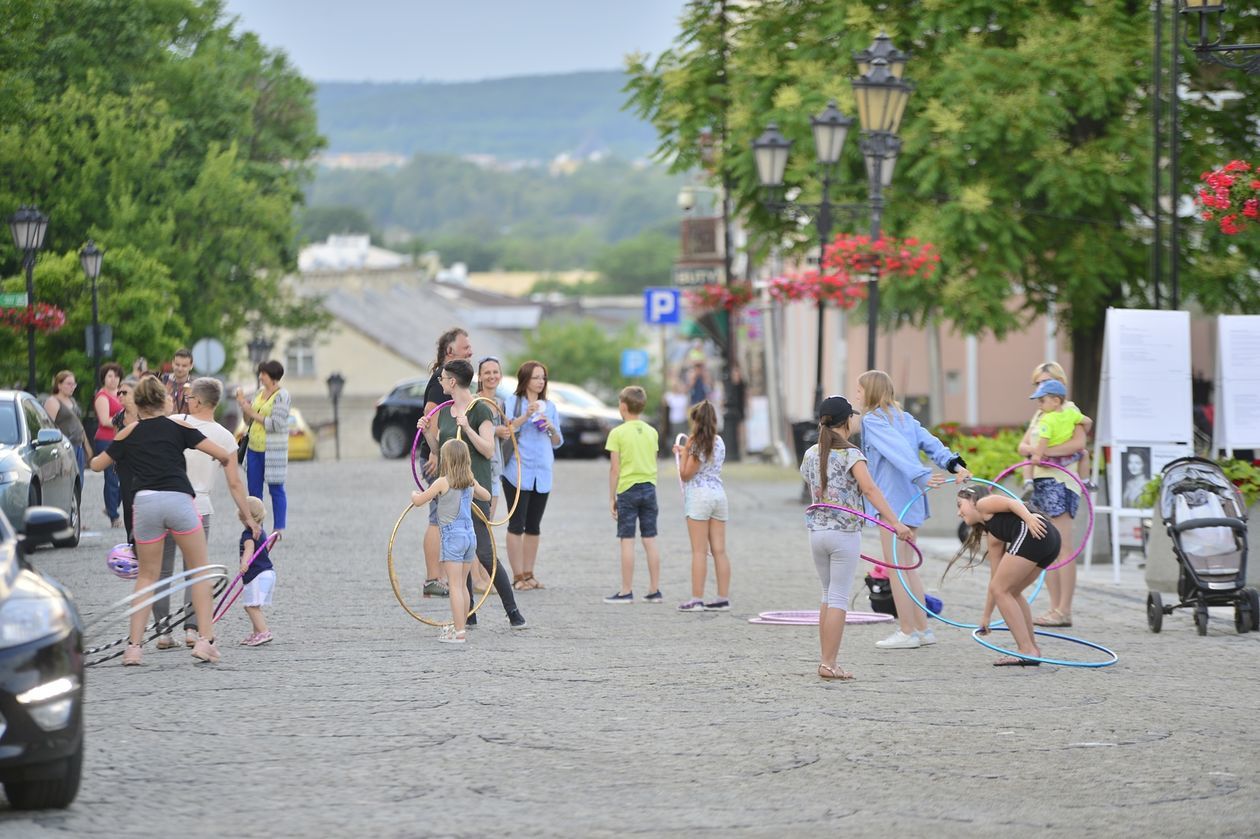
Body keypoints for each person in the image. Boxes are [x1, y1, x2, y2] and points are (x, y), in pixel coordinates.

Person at [89, 376, 257, 666]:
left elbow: (95, 465)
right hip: (179, 500)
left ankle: (133, 648)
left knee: (147, 575)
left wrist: (123, 447)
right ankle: (205, 641)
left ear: (138, 404)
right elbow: (222, 455)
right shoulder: (179, 426)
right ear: (163, 401)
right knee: (200, 571)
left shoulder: (129, 431)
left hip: (144, 504)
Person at [800, 395, 914, 680]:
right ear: (846, 421)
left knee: (827, 594)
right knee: (838, 596)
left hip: (817, 533)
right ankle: (829, 663)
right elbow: (872, 490)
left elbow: (809, 479)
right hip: (844, 533)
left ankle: (825, 660)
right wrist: (896, 523)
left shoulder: (812, 453)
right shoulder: (851, 454)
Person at [857, 369, 972, 650]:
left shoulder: (872, 421)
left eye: (860, 390)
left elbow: (897, 450)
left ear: (871, 391)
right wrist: (955, 465)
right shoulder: (906, 419)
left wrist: (920, 473)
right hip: (912, 500)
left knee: (896, 568)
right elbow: (933, 445)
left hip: (894, 504)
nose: (856, 395)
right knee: (907, 568)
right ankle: (923, 630)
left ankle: (907, 631)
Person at [418, 359, 527, 629]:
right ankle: (467, 614)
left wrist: (466, 427)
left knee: (485, 553)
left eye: (443, 378)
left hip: (475, 490)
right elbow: (440, 447)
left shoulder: (480, 410)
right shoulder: (444, 411)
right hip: (449, 494)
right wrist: (427, 433)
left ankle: (512, 611)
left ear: (452, 382)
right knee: (459, 553)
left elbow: (489, 450)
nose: (440, 382)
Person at [152, 377, 241, 650]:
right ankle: (192, 629)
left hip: (166, 499)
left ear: (200, 401)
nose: (186, 401)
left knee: (161, 569)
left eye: (190, 397)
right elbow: (235, 483)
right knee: (194, 570)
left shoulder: (176, 422)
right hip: (199, 507)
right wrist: (248, 516)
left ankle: (163, 631)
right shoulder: (225, 436)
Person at [951, 484, 1060, 666]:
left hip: (1034, 530)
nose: (958, 513)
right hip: (1050, 539)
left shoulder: (984, 504)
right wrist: (986, 616)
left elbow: (1012, 504)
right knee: (1010, 591)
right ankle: (1032, 649)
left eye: (959, 505)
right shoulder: (993, 534)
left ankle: (1026, 650)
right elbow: (996, 579)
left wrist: (1029, 519)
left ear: (972, 500)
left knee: (1002, 590)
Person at [1016, 362, 1087, 628]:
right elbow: (1022, 445)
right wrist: (1036, 453)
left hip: (1061, 482)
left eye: (1044, 382)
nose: (1039, 389)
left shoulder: (1068, 410)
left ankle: (1064, 609)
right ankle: (1054, 608)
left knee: (1063, 546)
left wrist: (1044, 453)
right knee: (1048, 547)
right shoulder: (1040, 413)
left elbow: (1079, 444)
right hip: (1040, 482)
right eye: (1036, 383)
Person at [409, 439, 491, 644]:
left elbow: (419, 501)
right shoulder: (470, 480)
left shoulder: (442, 482)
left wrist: (413, 494)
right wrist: (476, 487)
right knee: (462, 585)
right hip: (469, 537)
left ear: (446, 460)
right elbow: (487, 496)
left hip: (452, 538)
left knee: (454, 586)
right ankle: (459, 627)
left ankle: (460, 632)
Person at [420, 328, 474, 598]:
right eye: (466, 347)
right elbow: (431, 415)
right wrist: (434, 453)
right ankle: (433, 577)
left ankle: (445, 576)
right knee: (436, 517)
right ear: (450, 351)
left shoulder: (454, 380)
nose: (471, 351)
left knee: (447, 517)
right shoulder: (442, 379)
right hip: (439, 457)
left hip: (448, 455)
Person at [501, 360, 563, 591]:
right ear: (525, 379)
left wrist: (550, 427)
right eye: (536, 377)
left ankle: (529, 573)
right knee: (516, 524)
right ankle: (517, 576)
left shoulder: (550, 407)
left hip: (542, 472)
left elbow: (557, 442)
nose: (540, 381)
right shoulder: (513, 402)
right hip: (517, 471)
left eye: (543, 378)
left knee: (534, 525)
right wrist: (525, 416)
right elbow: (507, 429)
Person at [603, 386, 662, 604]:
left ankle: (626, 591)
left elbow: (615, 469)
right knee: (650, 539)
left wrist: (612, 497)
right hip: (649, 488)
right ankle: (655, 590)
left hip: (627, 490)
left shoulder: (617, 433)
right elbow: (652, 461)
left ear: (623, 406)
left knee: (627, 540)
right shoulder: (651, 431)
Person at [673, 401, 731, 612]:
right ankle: (723, 597)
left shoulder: (695, 442)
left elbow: (686, 473)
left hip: (699, 496)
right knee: (720, 551)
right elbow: (705, 460)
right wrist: (686, 450)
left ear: (695, 421)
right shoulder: (719, 441)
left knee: (699, 551)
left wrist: (685, 451)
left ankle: (696, 598)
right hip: (718, 495)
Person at [236, 359, 290, 536]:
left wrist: (253, 413)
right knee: (254, 490)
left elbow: (277, 424)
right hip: (254, 447)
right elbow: (248, 420)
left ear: (273, 377)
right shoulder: (259, 393)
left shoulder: (282, 396)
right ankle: (256, 525)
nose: (260, 377)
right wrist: (245, 407)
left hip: (272, 450)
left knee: (276, 487)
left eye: (263, 374)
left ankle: (279, 527)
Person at [473, 356, 506, 594]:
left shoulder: (501, 403)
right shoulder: (475, 402)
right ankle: (476, 579)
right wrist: (496, 430)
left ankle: (486, 576)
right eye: (487, 372)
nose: (492, 376)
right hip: (480, 470)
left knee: (488, 525)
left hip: (496, 469)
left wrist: (504, 432)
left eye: (495, 372)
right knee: (477, 525)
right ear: (479, 376)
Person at [238, 496, 277, 647]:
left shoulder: (247, 535)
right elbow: (264, 549)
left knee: (250, 606)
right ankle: (257, 633)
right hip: (268, 573)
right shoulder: (262, 532)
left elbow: (249, 549)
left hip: (256, 575)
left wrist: (244, 563)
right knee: (255, 605)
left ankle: (263, 632)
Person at [93, 362, 126, 528]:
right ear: (104, 378)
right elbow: (105, 420)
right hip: (106, 440)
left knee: (126, 475)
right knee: (112, 477)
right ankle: (114, 515)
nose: (114, 379)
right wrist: (123, 420)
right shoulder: (102, 396)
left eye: (116, 376)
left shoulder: (121, 394)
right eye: (110, 376)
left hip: (122, 438)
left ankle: (111, 505)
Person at [44, 370, 92, 477]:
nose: (72, 387)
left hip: (78, 444)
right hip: (65, 447)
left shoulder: (72, 401)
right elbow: (49, 427)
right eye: (68, 384)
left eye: (73, 384)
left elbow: (78, 423)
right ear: (59, 385)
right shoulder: (53, 401)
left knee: (78, 480)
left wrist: (87, 445)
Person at [163, 347, 194, 416]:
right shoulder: (162, 381)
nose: (180, 368)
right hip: (166, 425)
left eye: (184, 366)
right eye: (177, 364)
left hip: (186, 425)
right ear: (172, 363)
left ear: (191, 366)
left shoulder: (196, 386)